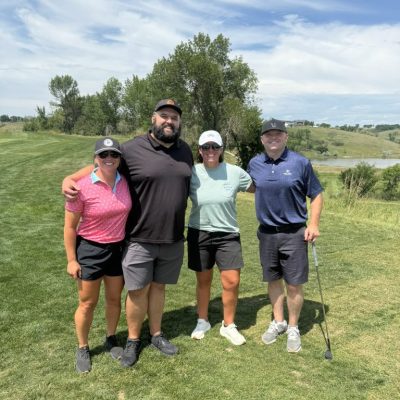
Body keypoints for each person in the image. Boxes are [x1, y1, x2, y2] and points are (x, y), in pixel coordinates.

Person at [62, 99, 193, 368]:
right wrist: (70, 179)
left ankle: (156, 334)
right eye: (164, 115)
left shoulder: (185, 151)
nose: (169, 121)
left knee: (159, 288)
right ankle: (132, 340)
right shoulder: (132, 149)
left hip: (172, 237)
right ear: (153, 118)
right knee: (137, 291)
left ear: (179, 122)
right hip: (139, 237)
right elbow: (103, 165)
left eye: (174, 117)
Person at [247, 118, 323, 353]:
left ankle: (292, 326)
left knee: (294, 284)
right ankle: (278, 321)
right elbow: (250, 186)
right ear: (262, 139)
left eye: (278, 134)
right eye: (268, 135)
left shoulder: (300, 162)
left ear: (286, 137)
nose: (273, 138)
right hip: (266, 233)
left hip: (294, 233)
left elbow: (316, 194)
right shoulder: (254, 163)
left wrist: (313, 223)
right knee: (273, 280)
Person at [64, 137, 132, 373]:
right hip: (90, 250)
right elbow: (70, 227)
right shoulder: (81, 187)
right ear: (96, 158)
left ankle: (111, 338)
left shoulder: (125, 180)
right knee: (87, 303)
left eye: (114, 154)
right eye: (103, 155)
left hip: (117, 249)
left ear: (119, 158)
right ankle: (82, 347)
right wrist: (71, 260)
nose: (109, 159)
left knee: (114, 299)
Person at [187, 130, 254, 345]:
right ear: (199, 150)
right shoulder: (192, 172)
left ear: (222, 149)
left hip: (228, 234)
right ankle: (203, 320)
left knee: (232, 281)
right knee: (203, 280)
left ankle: (228, 325)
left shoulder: (235, 172)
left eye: (215, 147)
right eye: (206, 147)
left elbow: (258, 188)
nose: (210, 151)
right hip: (199, 232)